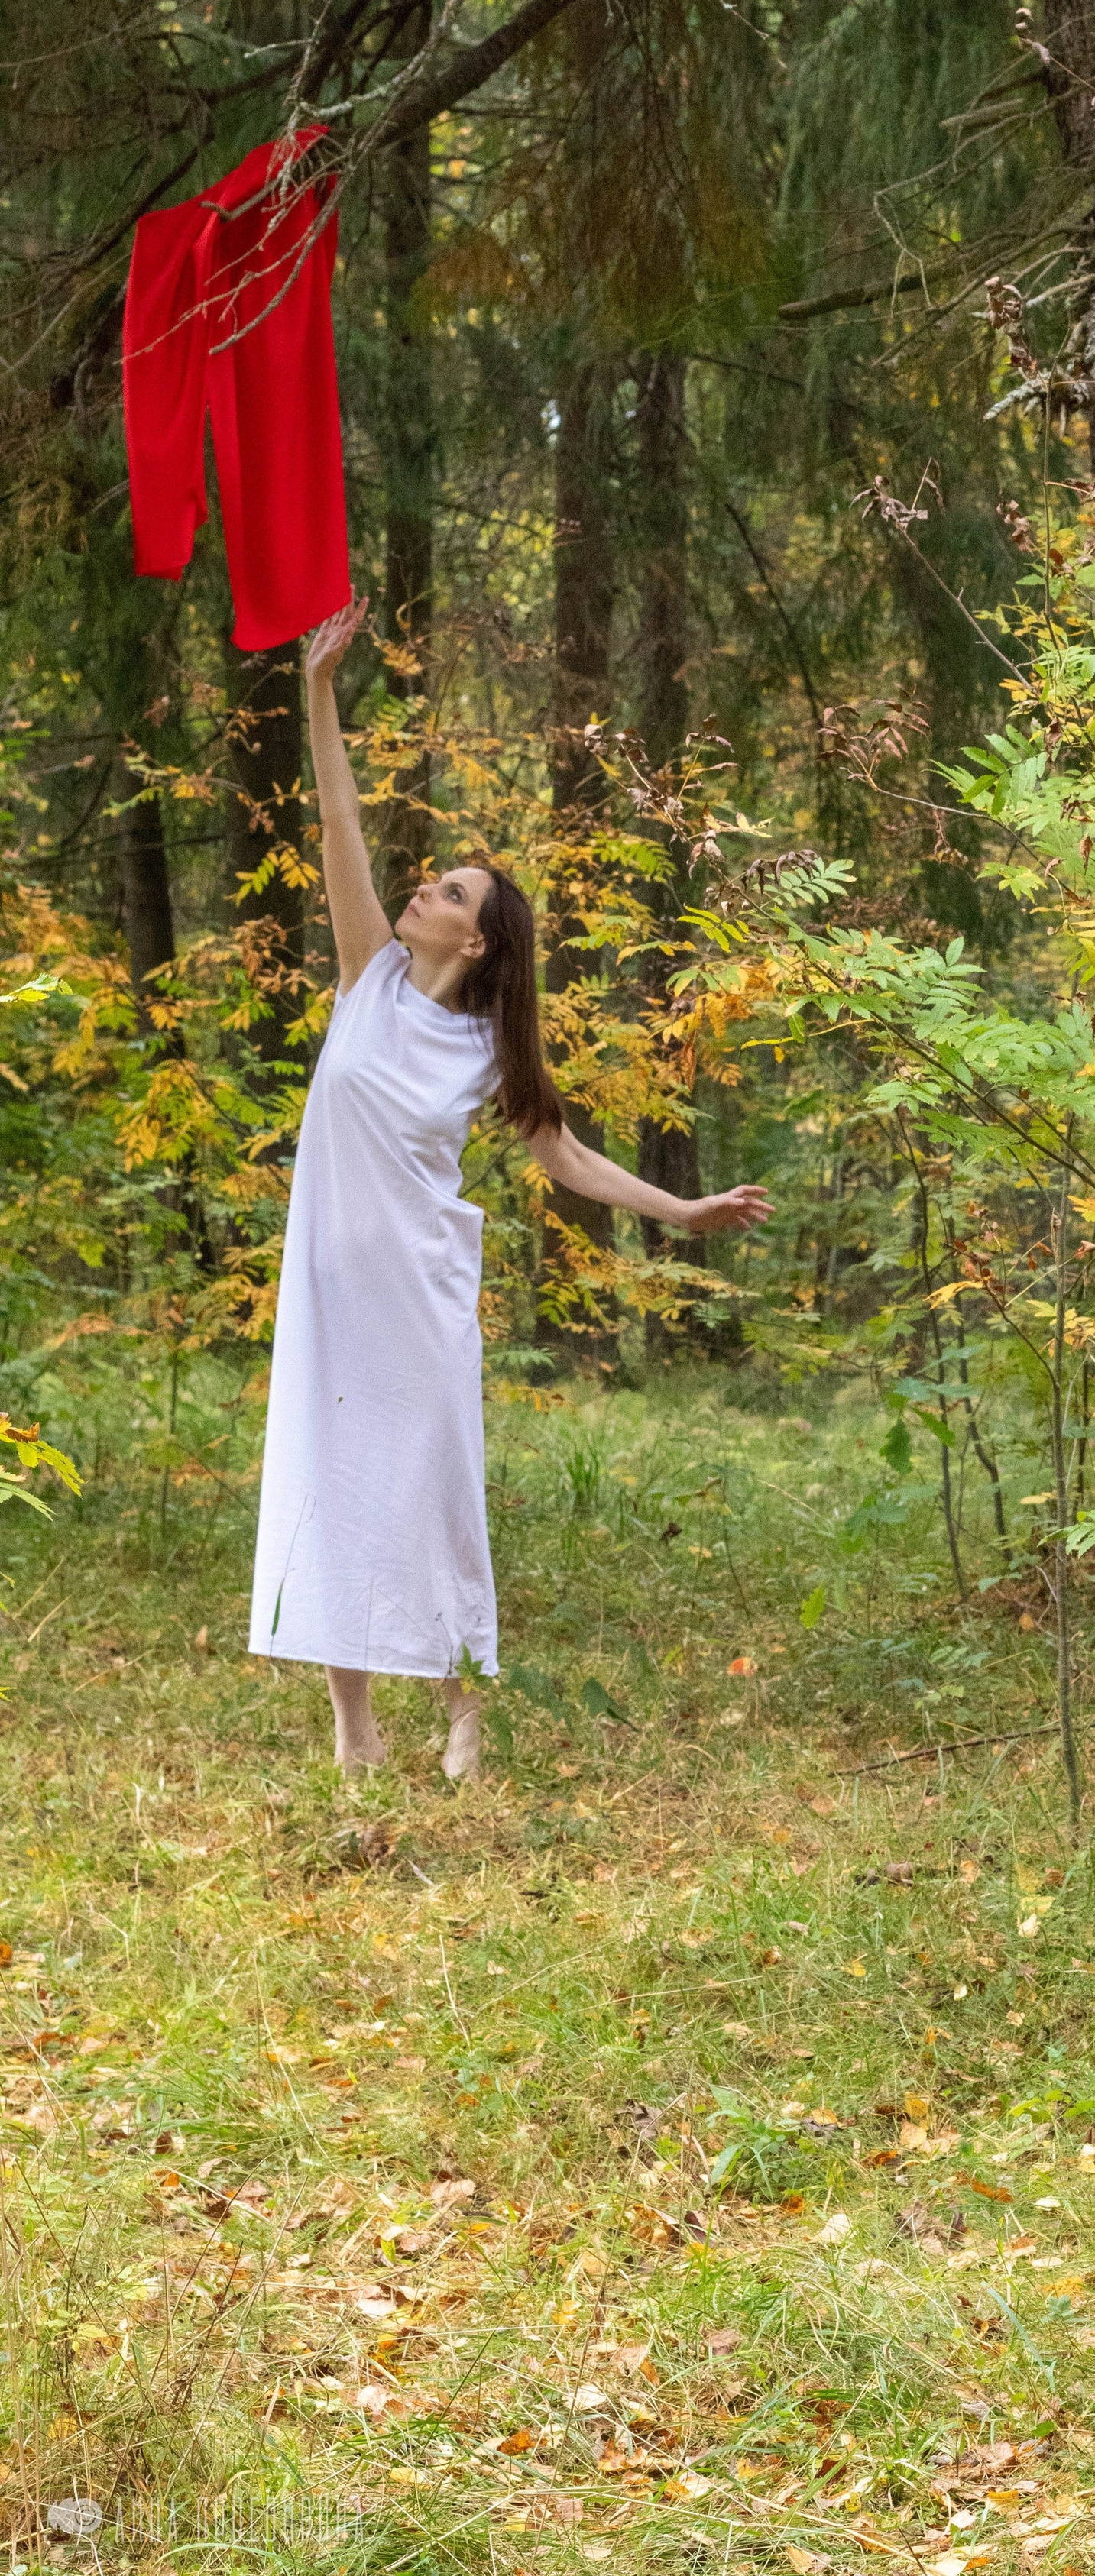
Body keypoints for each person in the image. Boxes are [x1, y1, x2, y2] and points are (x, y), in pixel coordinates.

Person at [248, 596, 771, 1778]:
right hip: (330, 1292)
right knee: (330, 1485)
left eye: (449, 894)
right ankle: (353, 1726)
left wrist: (683, 1213)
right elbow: (337, 820)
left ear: (475, 942)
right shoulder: (366, 979)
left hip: (421, 1297)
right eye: (433, 883)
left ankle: (463, 1703)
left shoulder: (489, 1050)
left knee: (429, 1498)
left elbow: (568, 1158)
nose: (424, 893)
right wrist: (319, 688)